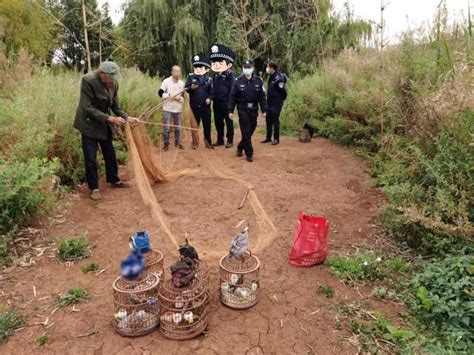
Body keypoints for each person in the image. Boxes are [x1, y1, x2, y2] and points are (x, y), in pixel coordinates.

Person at [73, 61, 139, 201]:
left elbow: (116, 107)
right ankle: (94, 188)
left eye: (114, 77)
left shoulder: (114, 84)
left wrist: (127, 118)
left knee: (110, 153)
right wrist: (110, 118)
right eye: (110, 76)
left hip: (104, 124)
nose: (113, 80)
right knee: (90, 158)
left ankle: (114, 180)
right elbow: (87, 108)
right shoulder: (88, 81)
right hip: (89, 124)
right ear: (102, 74)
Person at [229, 59, 267, 162]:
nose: (247, 69)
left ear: (253, 68)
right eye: (245, 67)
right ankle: (249, 153)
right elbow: (233, 97)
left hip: (254, 109)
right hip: (242, 109)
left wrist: (264, 110)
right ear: (243, 69)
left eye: (249, 67)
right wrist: (230, 111)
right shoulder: (238, 82)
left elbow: (262, 97)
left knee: (250, 131)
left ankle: (240, 146)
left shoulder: (258, 82)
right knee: (246, 131)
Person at [209, 44, 236, 148]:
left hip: (227, 102)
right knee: (218, 122)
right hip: (217, 103)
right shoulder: (216, 76)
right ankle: (220, 139)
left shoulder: (230, 74)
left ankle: (230, 140)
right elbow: (213, 89)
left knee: (229, 122)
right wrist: (211, 98)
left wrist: (231, 104)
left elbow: (232, 89)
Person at [185, 55, 213, 148]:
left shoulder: (209, 79)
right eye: (196, 67)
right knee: (194, 126)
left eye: (200, 67)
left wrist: (209, 98)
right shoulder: (190, 77)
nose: (198, 69)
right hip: (194, 106)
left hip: (205, 107)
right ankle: (194, 143)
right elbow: (186, 89)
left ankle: (208, 142)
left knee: (207, 125)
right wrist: (191, 88)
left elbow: (212, 92)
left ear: (205, 69)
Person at [158, 65, 185, 151]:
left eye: (179, 72)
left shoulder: (182, 83)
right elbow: (160, 93)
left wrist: (180, 99)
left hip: (178, 109)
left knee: (178, 127)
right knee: (166, 128)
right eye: (176, 72)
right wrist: (170, 96)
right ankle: (166, 144)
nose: (178, 73)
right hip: (167, 108)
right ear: (172, 72)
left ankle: (177, 143)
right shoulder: (166, 81)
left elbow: (183, 96)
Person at [262, 60, 287, 145]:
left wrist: (280, 100)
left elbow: (283, 92)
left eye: (268, 67)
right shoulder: (271, 76)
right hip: (269, 103)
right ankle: (268, 138)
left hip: (276, 103)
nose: (267, 68)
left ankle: (276, 139)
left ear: (272, 68)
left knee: (275, 120)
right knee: (268, 120)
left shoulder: (278, 78)